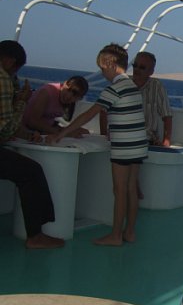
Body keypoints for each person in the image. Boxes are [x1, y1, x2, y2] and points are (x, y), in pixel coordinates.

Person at [48, 43, 147, 246]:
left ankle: (115, 235)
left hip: (124, 146)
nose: (102, 74)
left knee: (119, 190)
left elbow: (89, 114)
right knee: (131, 188)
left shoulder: (114, 89)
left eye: (102, 69)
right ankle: (130, 232)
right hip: (138, 144)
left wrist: (62, 133)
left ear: (110, 64)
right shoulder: (132, 86)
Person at [0, 40, 64, 249]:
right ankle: (35, 236)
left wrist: (27, 135)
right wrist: (22, 100)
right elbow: (6, 129)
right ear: (10, 61)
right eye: (16, 69)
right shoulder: (3, 78)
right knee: (31, 172)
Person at [22, 75, 89, 136]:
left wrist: (68, 129)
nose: (69, 96)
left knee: (84, 132)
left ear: (79, 98)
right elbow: (32, 121)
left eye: (75, 95)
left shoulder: (69, 102)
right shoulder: (46, 92)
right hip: (26, 129)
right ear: (64, 84)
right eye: (68, 90)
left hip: (45, 127)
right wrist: (64, 133)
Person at [130, 51, 172, 146]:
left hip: (146, 140)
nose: (137, 69)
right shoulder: (123, 83)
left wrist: (166, 142)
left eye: (142, 67)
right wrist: (104, 136)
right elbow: (104, 110)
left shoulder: (156, 86)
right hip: (122, 137)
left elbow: (167, 116)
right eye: (135, 65)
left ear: (151, 72)